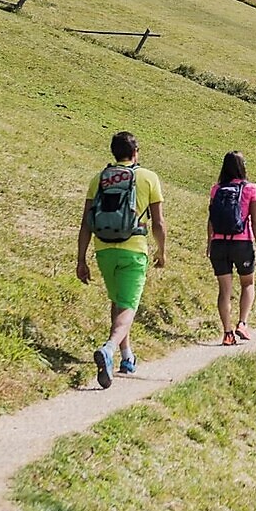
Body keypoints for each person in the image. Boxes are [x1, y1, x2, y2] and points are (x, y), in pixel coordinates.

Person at [77, 131, 166, 388]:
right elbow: (158, 222)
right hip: (133, 249)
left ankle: (126, 358)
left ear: (113, 152)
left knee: (118, 301)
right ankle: (109, 349)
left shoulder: (99, 178)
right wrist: (161, 251)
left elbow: (86, 222)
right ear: (135, 152)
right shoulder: (148, 177)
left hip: (103, 249)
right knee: (128, 305)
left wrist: (81, 259)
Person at [209, 150, 256, 345]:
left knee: (224, 290)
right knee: (247, 283)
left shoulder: (216, 189)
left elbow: (211, 219)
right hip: (242, 243)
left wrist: (209, 243)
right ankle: (242, 323)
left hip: (219, 243)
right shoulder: (251, 189)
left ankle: (227, 333)